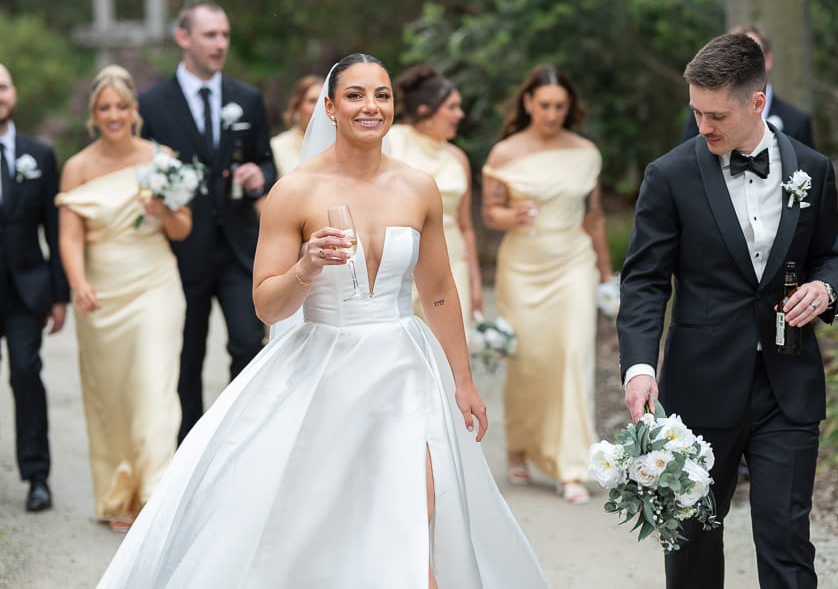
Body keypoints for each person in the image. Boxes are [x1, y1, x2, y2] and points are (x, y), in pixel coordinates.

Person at [97, 54, 547, 588]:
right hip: (328, 373)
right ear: (330, 108)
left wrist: (464, 379)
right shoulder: (294, 193)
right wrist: (307, 267)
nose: (370, 107)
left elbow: (441, 291)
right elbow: (266, 304)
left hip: (406, 367)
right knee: (331, 530)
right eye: (355, 95)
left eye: (381, 95)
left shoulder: (418, 187)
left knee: (417, 515)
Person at [617, 33, 838, 588]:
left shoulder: (812, 170)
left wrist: (825, 289)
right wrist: (640, 367)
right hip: (700, 387)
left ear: (757, 102)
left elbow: (832, 256)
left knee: (787, 540)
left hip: (786, 387)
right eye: (696, 112)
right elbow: (645, 281)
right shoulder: (668, 175)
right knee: (693, 545)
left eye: (716, 114)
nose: (704, 126)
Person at [56, 65, 190, 531]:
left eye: (121, 106)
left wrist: (165, 209)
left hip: (155, 282)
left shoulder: (161, 157)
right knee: (111, 396)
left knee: (153, 386)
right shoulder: (77, 167)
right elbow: (70, 238)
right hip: (102, 293)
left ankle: (154, 496)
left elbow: (183, 228)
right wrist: (78, 282)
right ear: (93, 115)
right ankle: (119, 495)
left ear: (135, 111)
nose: (113, 114)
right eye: (104, 108)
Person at [138, 2, 276, 442]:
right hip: (180, 251)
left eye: (225, 36)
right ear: (184, 39)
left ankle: (240, 438)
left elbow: (266, 161)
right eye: (210, 35)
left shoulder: (247, 99)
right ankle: (188, 450)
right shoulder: (151, 104)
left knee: (247, 343)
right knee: (186, 354)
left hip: (238, 248)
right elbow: (140, 174)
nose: (220, 45)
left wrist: (260, 178)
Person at [482, 64, 615, 505]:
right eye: (545, 106)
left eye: (560, 106)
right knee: (531, 361)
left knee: (574, 355)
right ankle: (520, 446)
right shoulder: (504, 153)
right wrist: (511, 217)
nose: (553, 114)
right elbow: (489, 213)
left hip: (574, 262)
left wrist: (606, 274)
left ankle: (572, 466)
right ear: (527, 104)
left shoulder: (585, 152)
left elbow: (593, 216)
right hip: (523, 266)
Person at [0, 63, 68, 513]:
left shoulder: (38, 155)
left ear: (14, 93)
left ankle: (37, 476)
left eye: (2, 86)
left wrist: (59, 294)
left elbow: (56, 228)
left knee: (26, 375)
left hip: (26, 289)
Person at [384, 64, 483, 328]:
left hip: (452, 262)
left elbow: (466, 226)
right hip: (402, 260)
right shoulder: (392, 141)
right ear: (425, 110)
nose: (460, 114)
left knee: (450, 343)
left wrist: (475, 280)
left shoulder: (458, 158)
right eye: (452, 107)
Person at [680, 24, 814, 148]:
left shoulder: (797, 122)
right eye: (732, 57)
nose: (742, 63)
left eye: (751, 56)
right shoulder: (702, 114)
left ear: (768, 60)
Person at [269, 74, 323, 178]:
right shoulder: (277, 147)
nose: (319, 108)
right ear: (297, 106)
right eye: (312, 101)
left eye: (323, 101)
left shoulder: (337, 146)